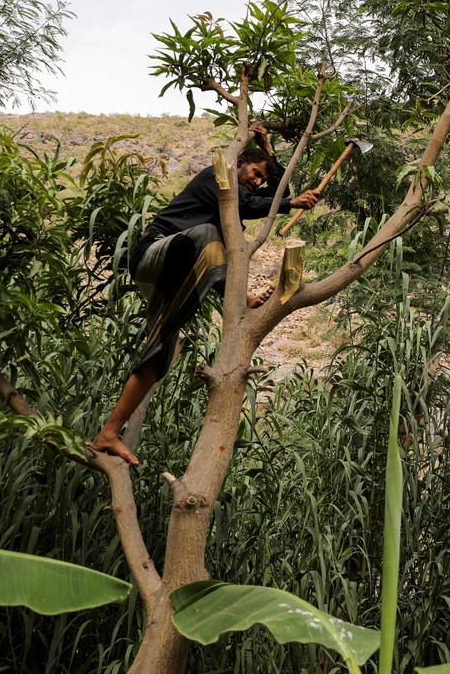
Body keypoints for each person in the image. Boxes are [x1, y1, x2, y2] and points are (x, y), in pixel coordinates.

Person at [91, 144, 318, 465]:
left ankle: (109, 433)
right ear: (238, 163)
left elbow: (276, 193)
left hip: (176, 273)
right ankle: (242, 298)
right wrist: (289, 203)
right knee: (210, 236)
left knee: (160, 354)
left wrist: (269, 152)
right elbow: (252, 202)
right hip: (152, 252)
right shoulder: (218, 178)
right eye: (255, 173)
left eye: (261, 179)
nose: (256, 182)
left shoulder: (230, 208)